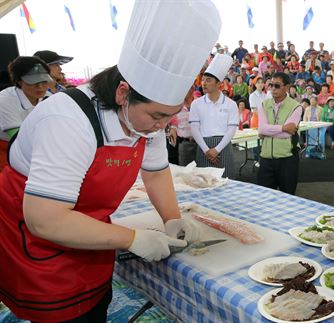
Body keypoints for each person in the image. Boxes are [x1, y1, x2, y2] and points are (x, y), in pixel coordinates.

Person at [0, 1, 219, 321]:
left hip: (92, 231)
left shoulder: (146, 120)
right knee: (61, 314)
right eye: (157, 116)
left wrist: (172, 218)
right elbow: (45, 220)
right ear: (122, 93)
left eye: (168, 118)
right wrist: (133, 238)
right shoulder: (67, 119)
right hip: (37, 239)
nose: (161, 126)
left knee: (95, 306)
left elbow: (156, 173)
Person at [189, 54, 238, 178]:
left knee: (226, 183)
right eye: (203, 79)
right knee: (204, 183)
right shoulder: (196, 104)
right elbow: (194, 129)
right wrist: (207, 150)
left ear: (219, 84)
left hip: (223, 147)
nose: (204, 83)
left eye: (208, 80)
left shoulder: (231, 104)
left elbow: (231, 130)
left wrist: (217, 150)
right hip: (203, 146)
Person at [0, 56, 52, 169]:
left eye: (44, 81)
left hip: (34, 142)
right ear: (18, 81)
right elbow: (17, 139)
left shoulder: (49, 97)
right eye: (33, 82)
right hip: (7, 145)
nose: (40, 87)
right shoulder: (5, 100)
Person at [257, 72, 302, 194]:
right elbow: (261, 129)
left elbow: (287, 134)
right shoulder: (263, 104)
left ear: (287, 88)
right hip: (266, 158)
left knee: (288, 197)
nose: (272, 89)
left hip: (287, 159)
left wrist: (267, 130)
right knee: (264, 199)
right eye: (271, 85)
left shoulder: (296, 106)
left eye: (277, 85)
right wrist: (283, 128)